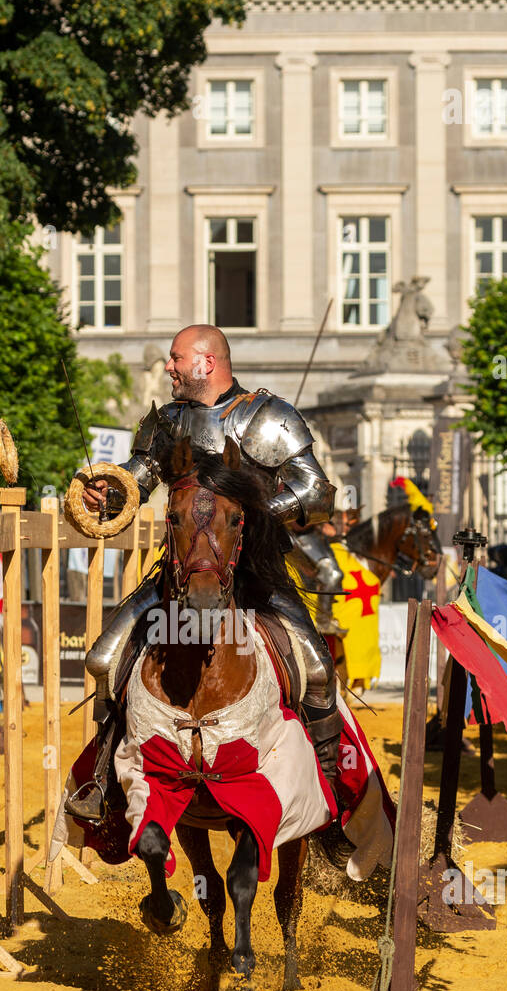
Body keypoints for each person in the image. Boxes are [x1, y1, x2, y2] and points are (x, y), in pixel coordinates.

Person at [66, 322, 341, 822]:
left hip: (258, 575)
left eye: (175, 359)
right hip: (182, 574)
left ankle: (330, 790)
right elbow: (137, 480)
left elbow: (317, 492)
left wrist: (257, 511)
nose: (168, 367)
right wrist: (104, 494)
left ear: (206, 363)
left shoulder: (270, 417)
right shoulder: (168, 423)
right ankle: (102, 779)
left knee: (319, 672)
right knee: (105, 660)